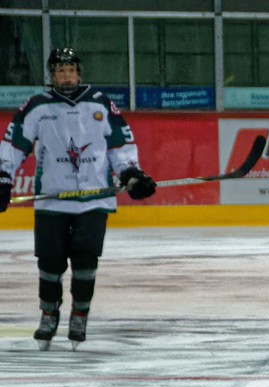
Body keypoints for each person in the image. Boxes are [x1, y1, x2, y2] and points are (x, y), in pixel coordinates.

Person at [0, 48, 156, 350]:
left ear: (79, 73)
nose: (66, 76)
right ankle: (49, 313)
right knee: (50, 261)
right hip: (52, 198)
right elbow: (14, 143)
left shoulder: (101, 104)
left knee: (85, 258)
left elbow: (119, 146)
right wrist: (3, 177)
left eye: (70, 70)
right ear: (52, 76)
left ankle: (80, 314)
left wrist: (131, 174)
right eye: (60, 71)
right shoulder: (38, 106)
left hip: (94, 197)